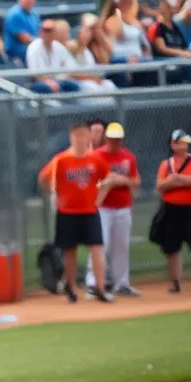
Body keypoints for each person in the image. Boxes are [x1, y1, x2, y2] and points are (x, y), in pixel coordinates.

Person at [38, 121, 112, 303]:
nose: (80, 139)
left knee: (96, 249)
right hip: (68, 212)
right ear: (71, 137)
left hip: (89, 211)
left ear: (89, 137)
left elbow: (107, 178)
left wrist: (101, 196)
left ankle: (100, 288)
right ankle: (71, 288)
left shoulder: (94, 159)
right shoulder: (61, 160)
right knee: (70, 252)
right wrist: (53, 194)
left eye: (83, 136)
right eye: (76, 136)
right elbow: (44, 178)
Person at [83, 123, 139, 297]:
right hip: (103, 208)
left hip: (123, 207)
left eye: (118, 139)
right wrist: (105, 182)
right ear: (107, 139)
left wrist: (120, 180)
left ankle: (122, 283)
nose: (115, 142)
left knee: (122, 246)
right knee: (101, 244)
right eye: (113, 139)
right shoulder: (97, 156)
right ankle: (92, 283)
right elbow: (90, 182)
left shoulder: (128, 157)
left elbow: (135, 181)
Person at [153, 130, 191, 293]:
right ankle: (176, 283)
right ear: (173, 144)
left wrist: (180, 180)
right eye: (180, 142)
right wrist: (173, 181)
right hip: (171, 210)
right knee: (171, 248)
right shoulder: (166, 164)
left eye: (185, 142)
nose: (184, 145)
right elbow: (161, 186)